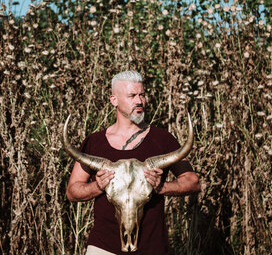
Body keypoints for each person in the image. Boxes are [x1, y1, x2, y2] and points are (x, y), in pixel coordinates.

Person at [66, 70, 201, 255]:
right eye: (132, 96)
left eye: (142, 95)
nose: (139, 101)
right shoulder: (94, 142)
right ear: (114, 100)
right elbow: (72, 192)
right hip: (103, 247)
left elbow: (193, 182)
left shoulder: (162, 139)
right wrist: (98, 186)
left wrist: (162, 187)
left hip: (152, 247)